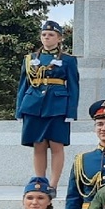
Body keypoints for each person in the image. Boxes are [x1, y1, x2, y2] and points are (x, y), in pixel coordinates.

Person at [16, 20, 80, 187]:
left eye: (51, 35)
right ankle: (40, 181)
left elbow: (73, 86)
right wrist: (19, 110)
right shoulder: (30, 59)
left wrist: (71, 111)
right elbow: (24, 84)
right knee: (38, 144)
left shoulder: (68, 60)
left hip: (57, 105)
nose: (47, 38)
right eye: (44, 35)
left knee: (56, 144)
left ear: (59, 38)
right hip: (33, 105)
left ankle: (53, 184)